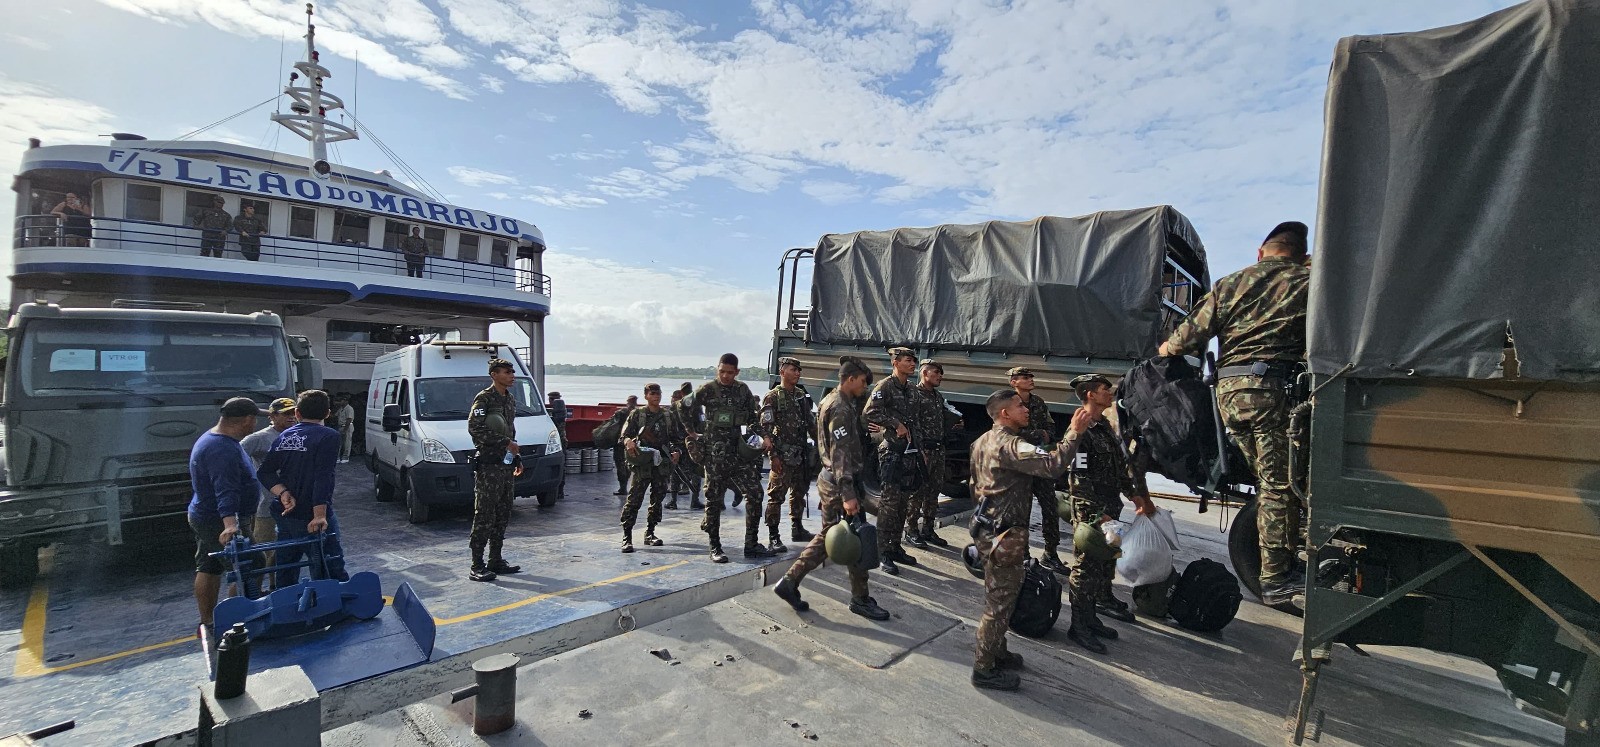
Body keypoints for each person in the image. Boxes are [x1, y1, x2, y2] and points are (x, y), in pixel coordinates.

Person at [1159, 221, 1311, 607]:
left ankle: (1279, 560)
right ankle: (1276, 577)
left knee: (1270, 480)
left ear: (1261, 252)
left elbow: (1182, 341)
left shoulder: (1230, 283)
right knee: (1279, 485)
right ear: (1300, 253)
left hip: (1229, 395)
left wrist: (1165, 352)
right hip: (1274, 395)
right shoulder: (1309, 283)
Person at [966, 389, 1092, 690]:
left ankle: (997, 650)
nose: (1026, 409)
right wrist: (1074, 433)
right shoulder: (1011, 445)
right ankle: (984, 669)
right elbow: (1052, 465)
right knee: (999, 603)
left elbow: (973, 483)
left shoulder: (982, 441)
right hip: (1004, 535)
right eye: (1020, 406)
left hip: (987, 528)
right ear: (1004, 413)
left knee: (1002, 596)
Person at [771, 356, 890, 621]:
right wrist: (848, 493)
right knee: (856, 537)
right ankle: (859, 599)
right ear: (850, 379)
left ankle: (790, 583)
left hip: (833, 479)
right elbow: (839, 454)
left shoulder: (833, 400)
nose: (864, 387)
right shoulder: (840, 408)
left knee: (830, 536)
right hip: (840, 482)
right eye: (861, 382)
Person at [1063, 374, 1158, 652]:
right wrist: (1096, 513)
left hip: (1109, 508)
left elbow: (1120, 469)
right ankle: (1078, 626)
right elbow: (1078, 479)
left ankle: (1091, 618)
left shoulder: (1104, 426)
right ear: (1090, 394)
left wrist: (1136, 496)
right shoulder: (1080, 429)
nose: (1110, 392)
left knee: (1104, 565)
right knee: (1084, 568)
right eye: (1105, 389)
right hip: (1092, 513)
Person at [684, 354, 774, 563]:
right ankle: (715, 547)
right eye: (722, 371)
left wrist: (765, 436)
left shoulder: (742, 390)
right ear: (717, 369)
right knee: (714, 500)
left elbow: (753, 418)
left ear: (737, 372)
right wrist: (691, 432)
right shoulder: (707, 390)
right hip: (715, 456)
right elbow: (683, 407)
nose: (725, 376)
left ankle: (751, 544)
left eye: (730, 372)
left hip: (739, 454)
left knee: (755, 493)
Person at [187, 397, 263, 635]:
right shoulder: (222, 449)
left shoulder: (216, 439)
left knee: (209, 565)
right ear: (248, 420)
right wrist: (231, 525)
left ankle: (209, 621)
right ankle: (236, 621)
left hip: (204, 513)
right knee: (249, 564)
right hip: (218, 519)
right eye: (255, 419)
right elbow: (225, 489)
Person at [258, 390, 347, 589]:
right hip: (310, 513)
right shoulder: (328, 436)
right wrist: (319, 515)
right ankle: (335, 606)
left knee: (287, 565)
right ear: (327, 414)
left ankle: (286, 606)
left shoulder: (285, 436)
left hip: (286, 513)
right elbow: (323, 476)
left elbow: (265, 472)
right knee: (329, 564)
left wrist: (282, 492)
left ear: (297, 413)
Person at [863, 346, 920, 575]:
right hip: (891, 452)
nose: (912, 364)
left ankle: (895, 547)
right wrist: (894, 424)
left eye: (914, 360)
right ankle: (882, 551)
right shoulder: (885, 386)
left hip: (908, 452)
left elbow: (916, 422)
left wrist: (920, 448)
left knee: (904, 502)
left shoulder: (913, 390)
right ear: (895, 362)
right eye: (908, 360)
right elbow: (870, 412)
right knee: (889, 503)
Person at [466, 358, 524, 582]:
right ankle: (477, 564)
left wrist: (515, 455)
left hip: (505, 465)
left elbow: (511, 431)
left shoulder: (509, 399)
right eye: (507, 372)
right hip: (489, 465)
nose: (511, 375)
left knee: (503, 513)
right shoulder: (484, 399)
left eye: (512, 372)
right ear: (494, 375)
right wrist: (504, 443)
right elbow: (474, 428)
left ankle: (495, 560)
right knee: (484, 515)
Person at [1009, 366, 1067, 573]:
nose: (1030, 380)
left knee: (1050, 508)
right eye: (1025, 377)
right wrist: (1037, 434)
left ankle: (1051, 554)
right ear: (1013, 382)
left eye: (1031, 376)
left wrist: (1045, 435)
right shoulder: (1007, 403)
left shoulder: (1038, 403)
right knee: (1021, 512)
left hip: (1040, 463)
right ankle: (1023, 556)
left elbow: (1050, 428)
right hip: (1021, 466)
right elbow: (1008, 434)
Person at [761, 356, 817, 549]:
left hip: (800, 454)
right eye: (793, 369)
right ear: (782, 371)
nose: (797, 373)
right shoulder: (773, 397)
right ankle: (773, 536)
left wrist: (822, 443)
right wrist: (773, 457)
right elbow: (766, 430)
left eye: (798, 370)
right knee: (776, 496)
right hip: (782, 456)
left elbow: (811, 424)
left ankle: (797, 527)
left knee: (799, 493)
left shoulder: (800, 395)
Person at [619, 383, 683, 552]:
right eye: (653, 393)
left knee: (657, 500)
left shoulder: (668, 416)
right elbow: (624, 435)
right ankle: (627, 536)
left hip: (661, 463)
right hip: (643, 464)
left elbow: (676, 439)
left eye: (658, 393)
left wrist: (677, 451)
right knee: (634, 500)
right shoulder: (637, 415)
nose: (656, 396)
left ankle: (650, 532)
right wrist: (628, 442)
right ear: (646, 396)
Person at [241, 397, 298, 582]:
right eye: (285, 414)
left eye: (293, 413)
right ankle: (255, 594)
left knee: (285, 553)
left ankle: (277, 588)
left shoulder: (298, 435)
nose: (291, 417)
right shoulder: (259, 438)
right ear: (272, 416)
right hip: (266, 506)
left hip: (293, 506)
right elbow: (236, 458)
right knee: (262, 553)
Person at [905, 359, 955, 549]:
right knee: (917, 493)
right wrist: (919, 451)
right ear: (925, 373)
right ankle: (911, 530)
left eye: (941, 373)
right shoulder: (914, 395)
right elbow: (912, 424)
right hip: (923, 450)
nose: (940, 376)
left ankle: (928, 529)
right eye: (937, 373)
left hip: (938, 450)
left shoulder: (937, 396)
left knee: (933, 492)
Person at [670, 382, 705, 510]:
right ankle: (694, 500)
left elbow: (669, 425)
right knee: (695, 471)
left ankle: (673, 501)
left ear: (681, 392)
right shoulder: (697, 407)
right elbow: (702, 423)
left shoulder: (674, 406)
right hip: (692, 442)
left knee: (676, 471)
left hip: (677, 443)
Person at [612, 394, 639, 497]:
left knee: (620, 464)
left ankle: (622, 488)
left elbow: (612, 424)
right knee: (629, 464)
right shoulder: (638, 413)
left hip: (620, 443)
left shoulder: (621, 412)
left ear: (628, 401)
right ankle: (629, 487)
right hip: (633, 443)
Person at [331, 394, 356, 464]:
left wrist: (345, 430)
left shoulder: (349, 408)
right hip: (340, 426)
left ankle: (345, 457)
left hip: (347, 426)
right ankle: (338, 457)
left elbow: (349, 419)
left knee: (347, 443)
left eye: (341, 400)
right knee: (340, 443)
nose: (339, 402)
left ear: (345, 401)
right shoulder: (341, 408)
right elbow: (335, 416)